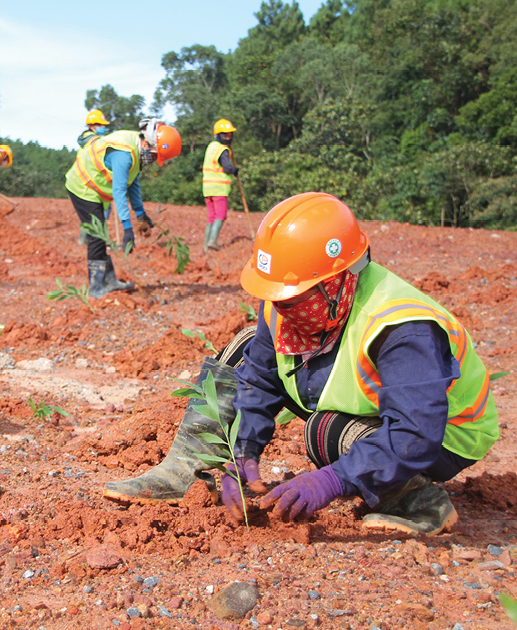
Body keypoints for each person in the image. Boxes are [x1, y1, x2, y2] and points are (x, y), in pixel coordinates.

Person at [107, 193, 496, 536]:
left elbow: (416, 431)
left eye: (293, 297)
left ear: (341, 279)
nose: (280, 307)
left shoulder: (402, 327)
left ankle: (418, 502)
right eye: (275, 295)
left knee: (326, 432)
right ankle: (185, 472)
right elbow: (258, 379)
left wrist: (331, 480)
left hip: (439, 436)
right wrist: (243, 453)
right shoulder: (288, 304)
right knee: (246, 348)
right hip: (379, 410)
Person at [63, 118, 180, 297]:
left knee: (100, 233)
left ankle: (109, 281)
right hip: (82, 186)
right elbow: (119, 191)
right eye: (155, 154)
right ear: (147, 140)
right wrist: (127, 228)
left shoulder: (137, 151)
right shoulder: (124, 154)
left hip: (95, 191)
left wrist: (141, 215)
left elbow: (132, 185)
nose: (154, 159)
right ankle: (96, 289)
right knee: (97, 235)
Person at [201, 119, 240, 250]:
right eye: (225, 135)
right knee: (220, 215)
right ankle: (212, 241)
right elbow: (227, 168)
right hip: (219, 189)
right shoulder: (222, 150)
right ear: (219, 135)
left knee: (212, 216)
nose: (228, 137)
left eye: (230, 135)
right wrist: (235, 170)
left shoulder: (211, 147)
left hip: (207, 189)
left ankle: (206, 246)